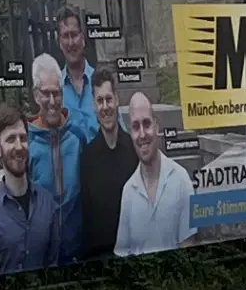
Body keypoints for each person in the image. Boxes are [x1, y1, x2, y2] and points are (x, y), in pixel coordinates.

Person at [0, 106, 63, 278]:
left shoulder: (48, 205)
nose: (18, 146)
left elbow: (54, 268)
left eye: (23, 138)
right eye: (10, 139)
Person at [115, 88, 195, 254]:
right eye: (136, 126)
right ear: (130, 133)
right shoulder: (128, 192)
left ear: (156, 126)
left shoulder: (181, 180)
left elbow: (189, 251)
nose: (142, 134)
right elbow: (122, 254)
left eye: (147, 124)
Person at [74, 66, 138, 262]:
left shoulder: (134, 150)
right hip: (102, 259)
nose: (105, 106)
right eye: (99, 101)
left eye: (108, 99)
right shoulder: (87, 157)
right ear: (93, 105)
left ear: (117, 100)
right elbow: (87, 216)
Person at [26, 53, 86, 261]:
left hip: (77, 248)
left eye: (57, 93)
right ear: (36, 95)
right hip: (41, 252)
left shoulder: (78, 137)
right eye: (46, 93)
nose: (52, 101)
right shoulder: (27, 143)